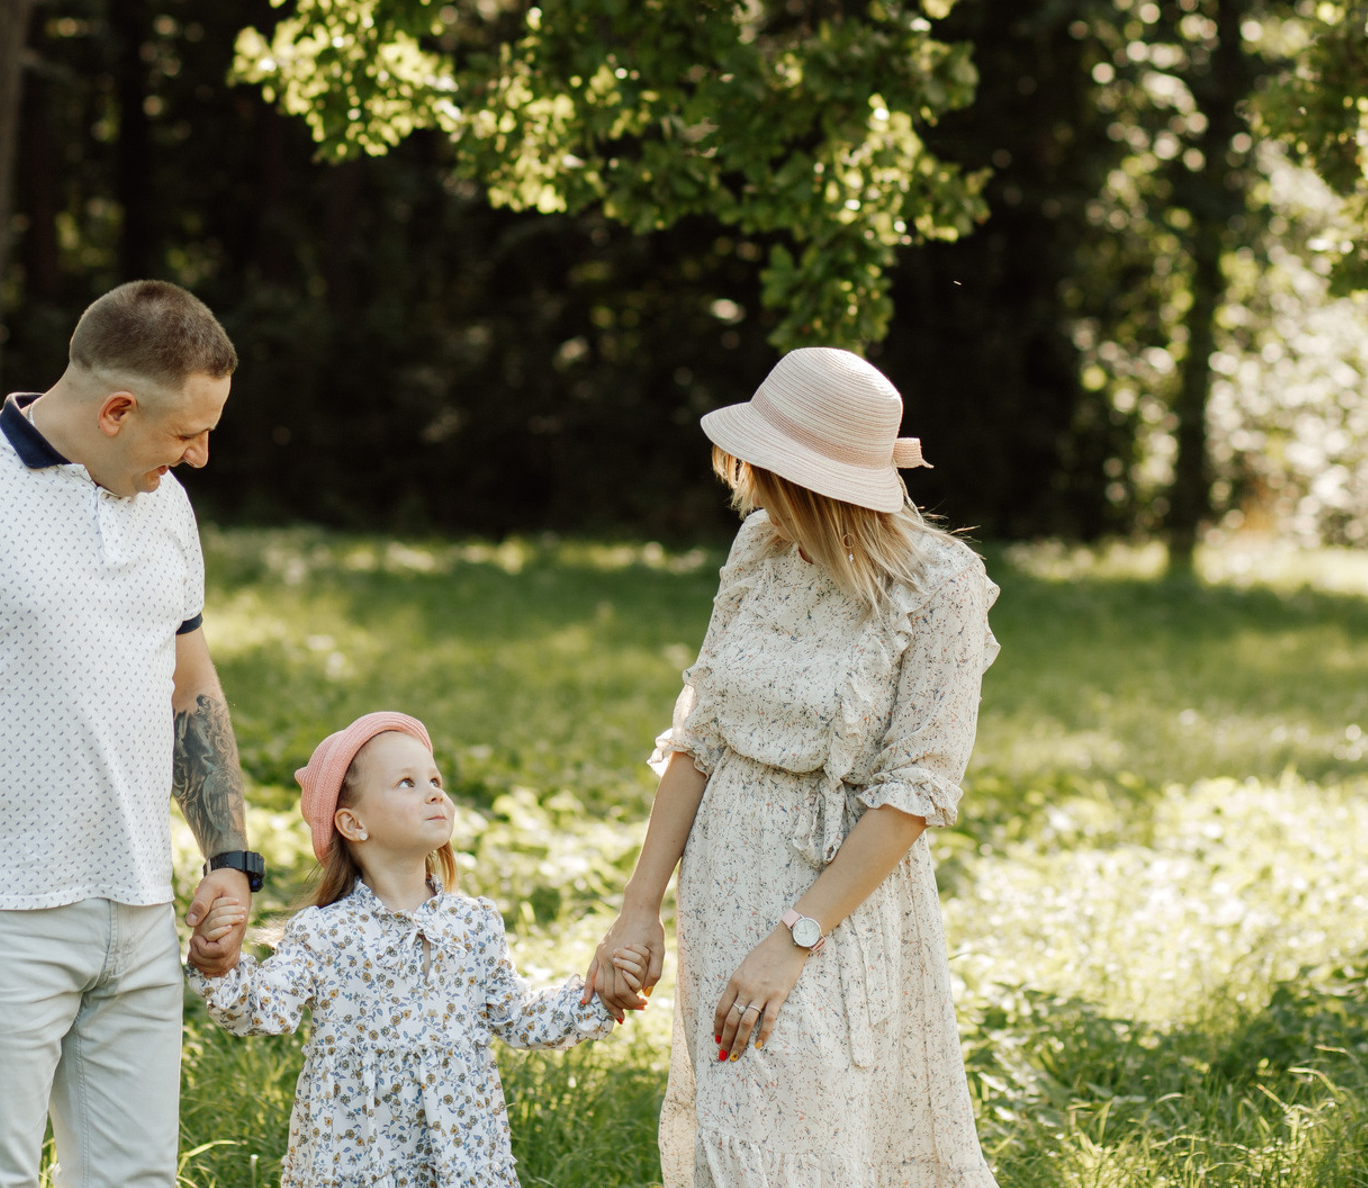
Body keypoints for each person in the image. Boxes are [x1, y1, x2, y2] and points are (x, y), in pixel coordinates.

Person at [0, 280, 266, 1188]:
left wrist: (228, 855)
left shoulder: (166, 506)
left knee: (135, 1180)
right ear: (115, 409)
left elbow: (190, 688)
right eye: (187, 433)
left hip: (140, 910)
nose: (202, 456)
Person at [586, 347, 1001, 1188]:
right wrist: (639, 910)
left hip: (834, 909)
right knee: (740, 1144)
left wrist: (793, 940)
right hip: (722, 888)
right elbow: (703, 735)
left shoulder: (943, 588)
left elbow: (914, 794)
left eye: (769, 468)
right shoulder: (760, 546)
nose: (750, 483)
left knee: (813, 1144)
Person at [187, 711, 629, 1187]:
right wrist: (220, 967)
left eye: (435, 779)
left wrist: (600, 997)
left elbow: (516, 1015)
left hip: (462, 1160)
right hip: (359, 1161)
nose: (435, 792)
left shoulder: (472, 924)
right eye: (406, 783)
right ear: (353, 823)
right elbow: (263, 1009)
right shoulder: (326, 933)